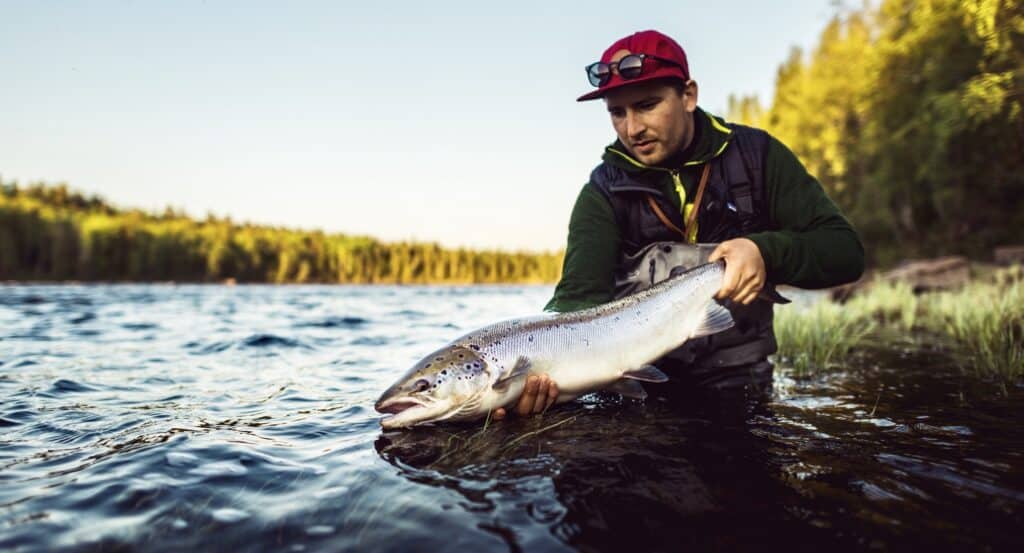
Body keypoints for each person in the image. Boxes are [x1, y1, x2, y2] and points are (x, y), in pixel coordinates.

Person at [492, 30, 864, 420]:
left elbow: (844, 252)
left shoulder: (758, 157)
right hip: (636, 392)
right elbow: (575, 302)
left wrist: (764, 252)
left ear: (688, 95)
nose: (631, 128)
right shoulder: (601, 192)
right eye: (617, 112)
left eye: (647, 105)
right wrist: (540, 375)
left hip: (738, 382)